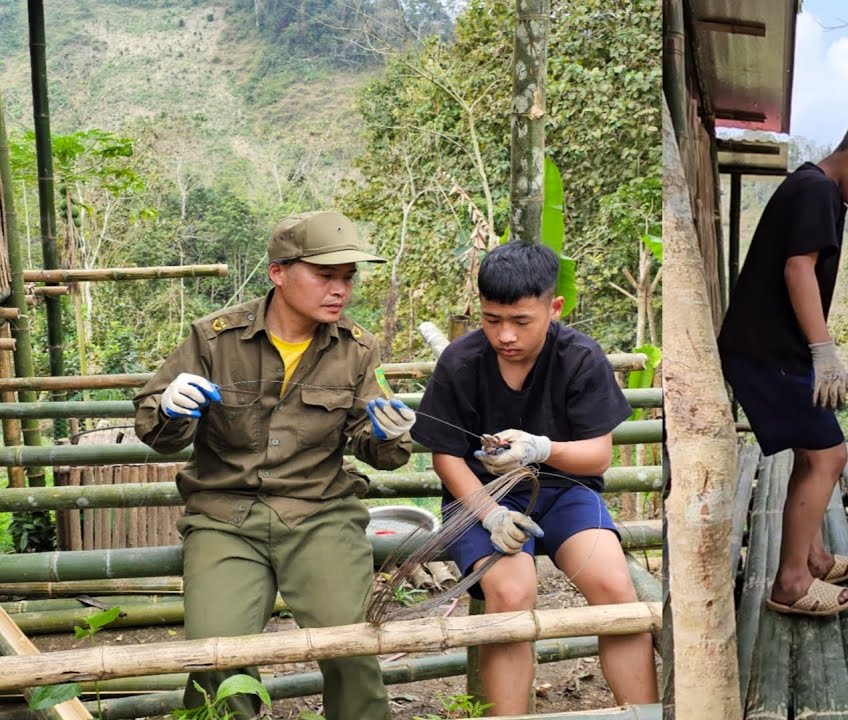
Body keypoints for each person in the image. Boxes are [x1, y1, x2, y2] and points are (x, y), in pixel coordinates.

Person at [134, 210, 416, 719]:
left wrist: (388, 435)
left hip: (320, 514)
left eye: (348, 278)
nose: (340, 290)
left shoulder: (358, 350)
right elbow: (155, 430)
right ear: (279, 273)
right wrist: (171, 408)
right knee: (216, 656)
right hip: (225, 517)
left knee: (350, 647)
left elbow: (376, 449)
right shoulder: (212, 339)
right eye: (325, 275)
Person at [412, 241, 658, 714]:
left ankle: (641, 711)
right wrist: (489, 515)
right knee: (510, 593)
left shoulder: (580, 357)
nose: (505, 334)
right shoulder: (460, 362)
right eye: (491, 319)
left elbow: (597, 457)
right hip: (479, 497)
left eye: (521, 321)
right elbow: (446, 457)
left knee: (614, 588)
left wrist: (543, 449)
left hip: (566, 490)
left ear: (554, 307)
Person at [718, 117, 848, 618]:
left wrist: (816, 349)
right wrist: (823, 350)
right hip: (765, 351)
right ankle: (791, 582)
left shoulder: (821, 191)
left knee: (815, 455)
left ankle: (815, 558)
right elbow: (797, 268)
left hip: (780, 349)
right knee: (829, 457)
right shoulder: (814, 190)